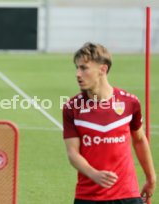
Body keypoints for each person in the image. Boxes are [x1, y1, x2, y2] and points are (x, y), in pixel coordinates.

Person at [63, 42, 156, 204]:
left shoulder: (130, 102)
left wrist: (151, 178)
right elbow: (73, 154)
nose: (78, 74)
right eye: (76, 68)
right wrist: (93, 174)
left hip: (127, 194)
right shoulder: (72, 108)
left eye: (84, 68)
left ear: (103, 69)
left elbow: (140, 140)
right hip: (88, 196)